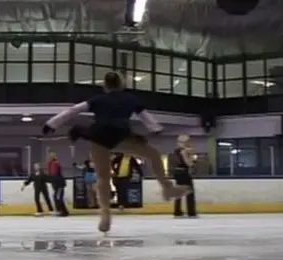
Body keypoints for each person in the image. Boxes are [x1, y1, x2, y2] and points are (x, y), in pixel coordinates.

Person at [42, 71, 191, 233]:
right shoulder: (130, 99)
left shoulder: (97, 99)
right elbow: (145, 116)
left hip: (100, 137)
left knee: (103, 177)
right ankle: (167, 187)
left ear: (104, 86)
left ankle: (105, 213)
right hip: (121, 137)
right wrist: (155, 128)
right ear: (121, 84)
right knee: (153, 154)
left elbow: (73, 110)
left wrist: (51, 124)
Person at [172, 134, 197, 218]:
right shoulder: (184, 151)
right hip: (184, 172)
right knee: (190, 192)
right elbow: (188, 163)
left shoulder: (176, 150)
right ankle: (191, 212)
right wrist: (192, 161)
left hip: (177, 172)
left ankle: (177, 212)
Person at [47, 152, 69, 217]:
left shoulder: (55, 164)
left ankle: (62, 211)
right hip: (56, 183)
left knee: (58, 197)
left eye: (52, 156)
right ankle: (61, 211)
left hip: (59, 184)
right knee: (56, 197)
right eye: (50, 156)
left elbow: (54, 173)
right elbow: (51, 174)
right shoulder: (51, 164)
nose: (51, 157)